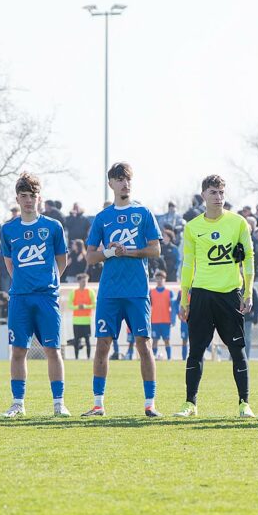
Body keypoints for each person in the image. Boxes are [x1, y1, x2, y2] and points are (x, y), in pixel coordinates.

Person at [83, 162, 162, 417]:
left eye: (127, 179)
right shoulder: (102, 218)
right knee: (102, 345)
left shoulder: (143, 212)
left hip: (137, 291)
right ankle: (98, 404)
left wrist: (130, 252)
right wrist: (109, 251)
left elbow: (155, 249)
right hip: (109, 292)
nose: (124, 183)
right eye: (119, 179)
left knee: (144, 345)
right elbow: (90, 257)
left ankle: (150, 404)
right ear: (111, 184)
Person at [174, 175, 255, 418]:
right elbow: (188, 265)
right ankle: (190, 404)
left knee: (237, 350)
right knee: (196, 350)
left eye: (221, 192)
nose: (218, 197)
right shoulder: (192, 227)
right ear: (203, 196)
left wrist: (248, 292)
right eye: (213, 192)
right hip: (201, 295)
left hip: (229, 295)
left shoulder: (239, 223)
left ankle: (244, 404)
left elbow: (249, 258)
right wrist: (184, 299)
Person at [0, 173, 69, 417]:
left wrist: (48, 281)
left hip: (46, 297)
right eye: (24, 196)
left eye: (33, 196)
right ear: (17, 198)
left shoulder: (52, 226)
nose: (29, 200)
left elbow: (62, 260)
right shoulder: (8, 229)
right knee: (18, 350)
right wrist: (25, 282)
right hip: (20, 297)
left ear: (40, 198)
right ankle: (18, 403)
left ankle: (59, 403)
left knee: (53, 349)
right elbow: (10, 264)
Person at [70, 273, 95, 359]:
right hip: (76, 321)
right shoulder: (74, 292)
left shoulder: (90, 291)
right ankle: (76, 358)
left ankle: (88, 358)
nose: (85, 283)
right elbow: (69, 305)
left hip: (86, 320)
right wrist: (77, 307)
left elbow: (94, 304)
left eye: (86, 281)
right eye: (83, 281)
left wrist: (85, 306)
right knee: (76, 340)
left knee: (87, 340)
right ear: (79, 281)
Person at [149, 271, 173, 360]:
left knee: (167, 340)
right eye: (158, 278)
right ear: (156, 279)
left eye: (161, 278)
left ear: (164, 279)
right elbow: (148, 306)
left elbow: (173, 308)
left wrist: (173, 319)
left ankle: (169, 358)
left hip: (166, 321)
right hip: (154, 321)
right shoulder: (151, 292)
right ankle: (153, 358)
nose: (159, 280)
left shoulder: (169, 292)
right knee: (154, 341)